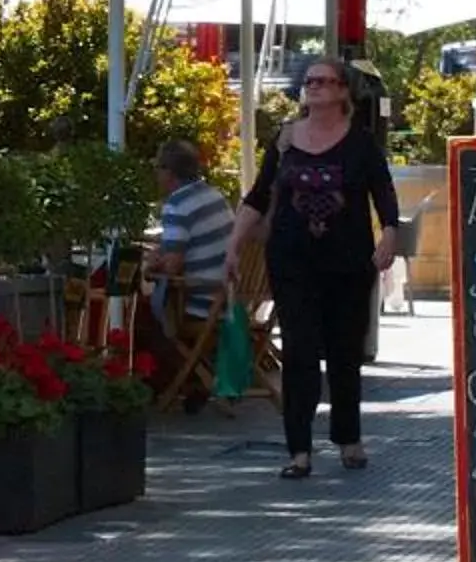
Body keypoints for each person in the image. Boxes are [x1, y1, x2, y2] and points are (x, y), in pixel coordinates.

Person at [229, 57, 401, 478]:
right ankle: (299, 450)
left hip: (347, 261)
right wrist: (233, 245)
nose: (316, 88)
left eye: (325, 82)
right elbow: (257, 196)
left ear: (344, 91)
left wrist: (390, 236)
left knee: (344, 352)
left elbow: (384, 194)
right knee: (301, 351)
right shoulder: (286, 138)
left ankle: (348, 438)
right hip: (292, 259)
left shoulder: (360, 143)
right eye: (310, 82)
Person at [146, 138, 234, 406]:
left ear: (168, 172)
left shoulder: (177, 205)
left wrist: (151, 264)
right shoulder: (215, 196)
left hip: (200, 300)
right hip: (228, 295)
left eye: (158, 168)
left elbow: (172, 265)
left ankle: (189, 383)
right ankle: (195, 381)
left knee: (144, 320)